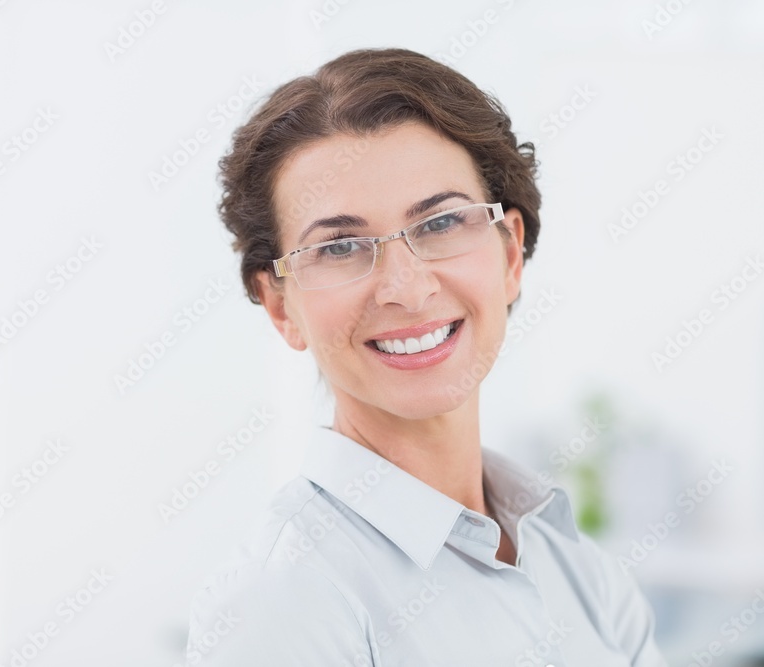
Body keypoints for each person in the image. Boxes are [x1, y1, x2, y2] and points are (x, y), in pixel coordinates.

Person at [183, 48, 667, 666]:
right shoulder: (280, 607)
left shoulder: (580, 570)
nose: (407, 289)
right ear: (280, 306)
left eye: (440, 224)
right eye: (340, 247)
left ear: (510, 256)